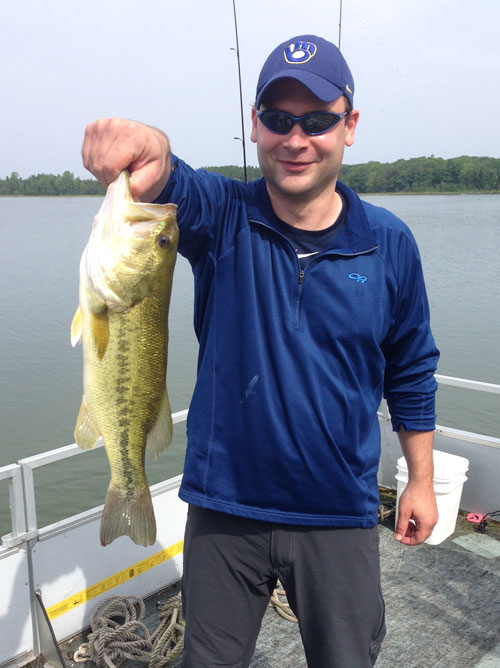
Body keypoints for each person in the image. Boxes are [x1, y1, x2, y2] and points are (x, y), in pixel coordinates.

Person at [82, 34, 439, 668]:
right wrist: (147, 148)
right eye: (277, 119)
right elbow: (171, 180)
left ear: (349, 126)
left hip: (339, 512)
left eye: (318, 120)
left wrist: (421, 481)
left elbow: (411, 370)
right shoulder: (223, 216)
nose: (295, 138)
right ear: (255, 126)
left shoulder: (390, 244)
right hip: (225, 510)